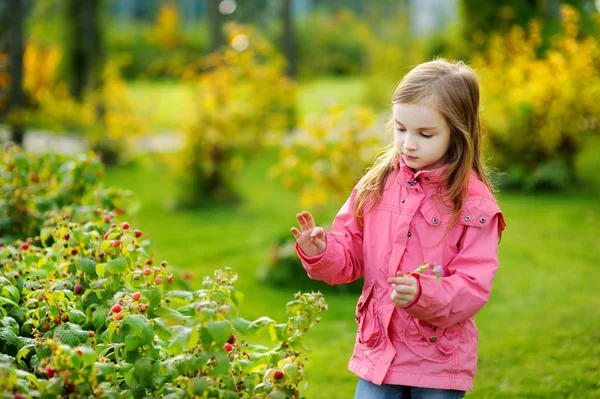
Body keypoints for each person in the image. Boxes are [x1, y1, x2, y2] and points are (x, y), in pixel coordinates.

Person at [290, 59, 506, 399]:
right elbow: (349, 254)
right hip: (379, 354)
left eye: (425, 134)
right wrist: (322, 251)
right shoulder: (377, 184)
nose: (408, 143)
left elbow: (472, 286)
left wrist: (422, 295)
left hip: (437, 360)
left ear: (458, 132)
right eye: (401, 128)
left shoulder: (474, 204)